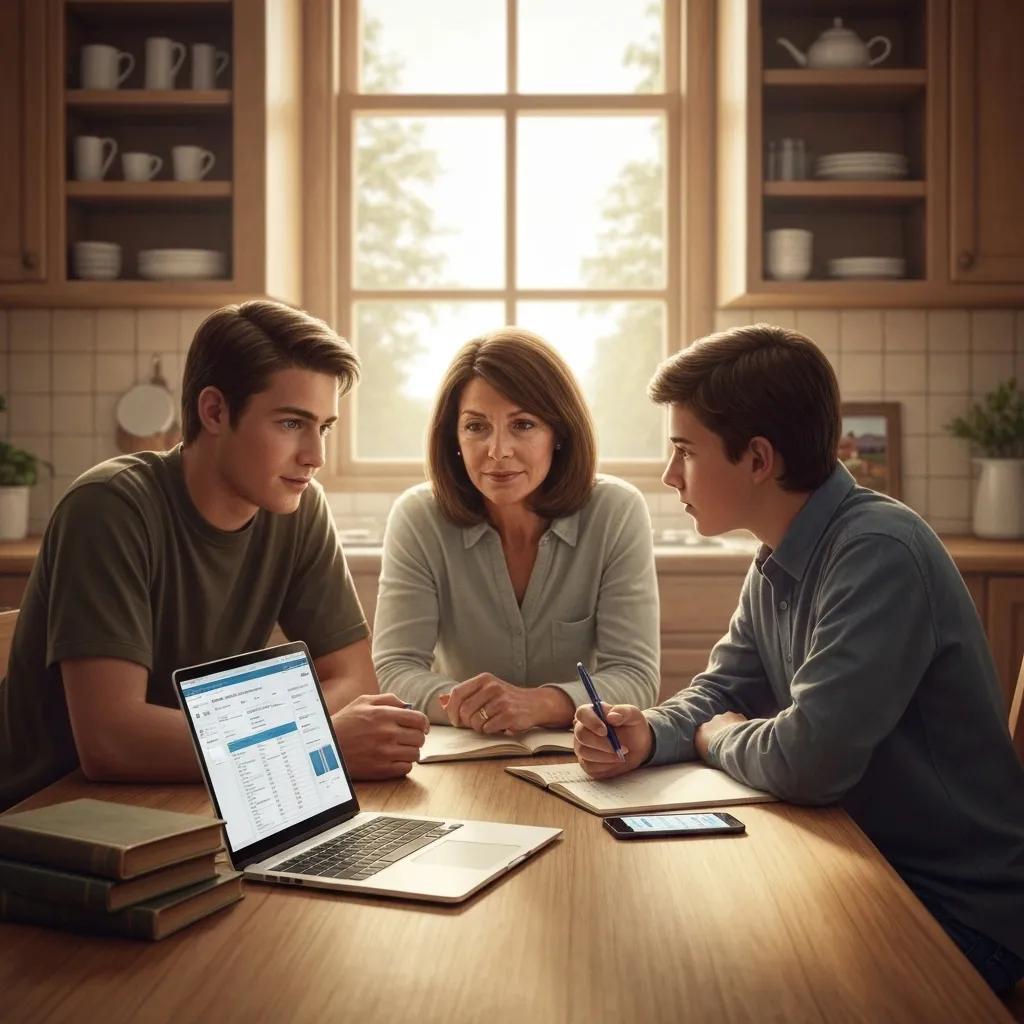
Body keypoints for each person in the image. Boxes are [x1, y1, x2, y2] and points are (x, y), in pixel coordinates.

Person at [573, 323, 1024, 996]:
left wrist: (717, 738)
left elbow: (809, 762)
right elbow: (722, 690)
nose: (670, 476)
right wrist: (649, 733)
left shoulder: (878, 553)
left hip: (954, 913)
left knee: (703, 983)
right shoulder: (778, 556)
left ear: (758, 459)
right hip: (859, 868)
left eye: (685, 451)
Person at [0, 300, 428, 810]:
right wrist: (315, 742)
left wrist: (268, 741)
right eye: (291, 424)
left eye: (324, 427)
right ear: (215, 412)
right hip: (57, 815)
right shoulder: (109, 508)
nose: (315, 456)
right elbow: (112, 741)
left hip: (199, 795)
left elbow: (356, 681)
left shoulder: (297, 507)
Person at [372, 327, 659, 734]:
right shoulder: (418, 517)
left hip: (581, 751)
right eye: (476, 427)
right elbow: (395, 668)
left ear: (559, 433)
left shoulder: (616, 511)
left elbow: (635, 677)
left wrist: (537, 705)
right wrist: (477, 709)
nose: (497, 451)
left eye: (523, 425)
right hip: (464, 748)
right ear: (453, 437)